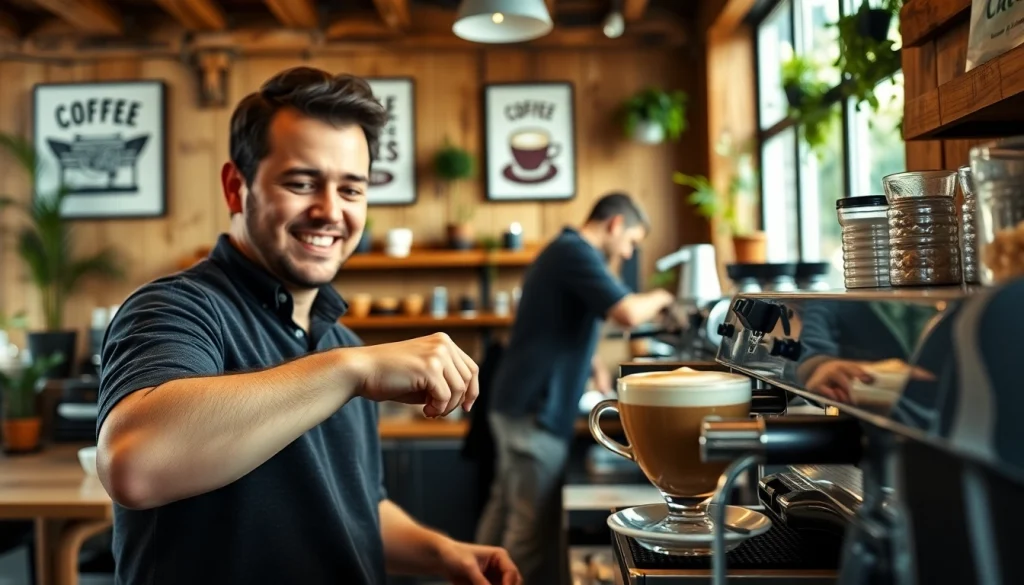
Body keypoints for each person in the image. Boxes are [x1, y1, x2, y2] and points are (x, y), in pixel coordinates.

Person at [95, 66, 522, 585]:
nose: (329, 212)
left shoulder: (339, 342)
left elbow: (352, 507)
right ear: (237, 187)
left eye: (351, 190)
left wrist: (441, 553)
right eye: (302, 183)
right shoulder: (176, 308)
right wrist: (352, 370)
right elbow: (134, 466)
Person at [475, 193, 676, 584]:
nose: (630, 251)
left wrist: (593, 365)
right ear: (615, 224)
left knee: (505, 511)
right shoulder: (575, 253)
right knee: (528, 530)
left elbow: (558, 324)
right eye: (632, 241)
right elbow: (629, 312)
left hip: (517, 401)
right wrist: (665, 297)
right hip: (534, 409)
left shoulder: (564, 251)